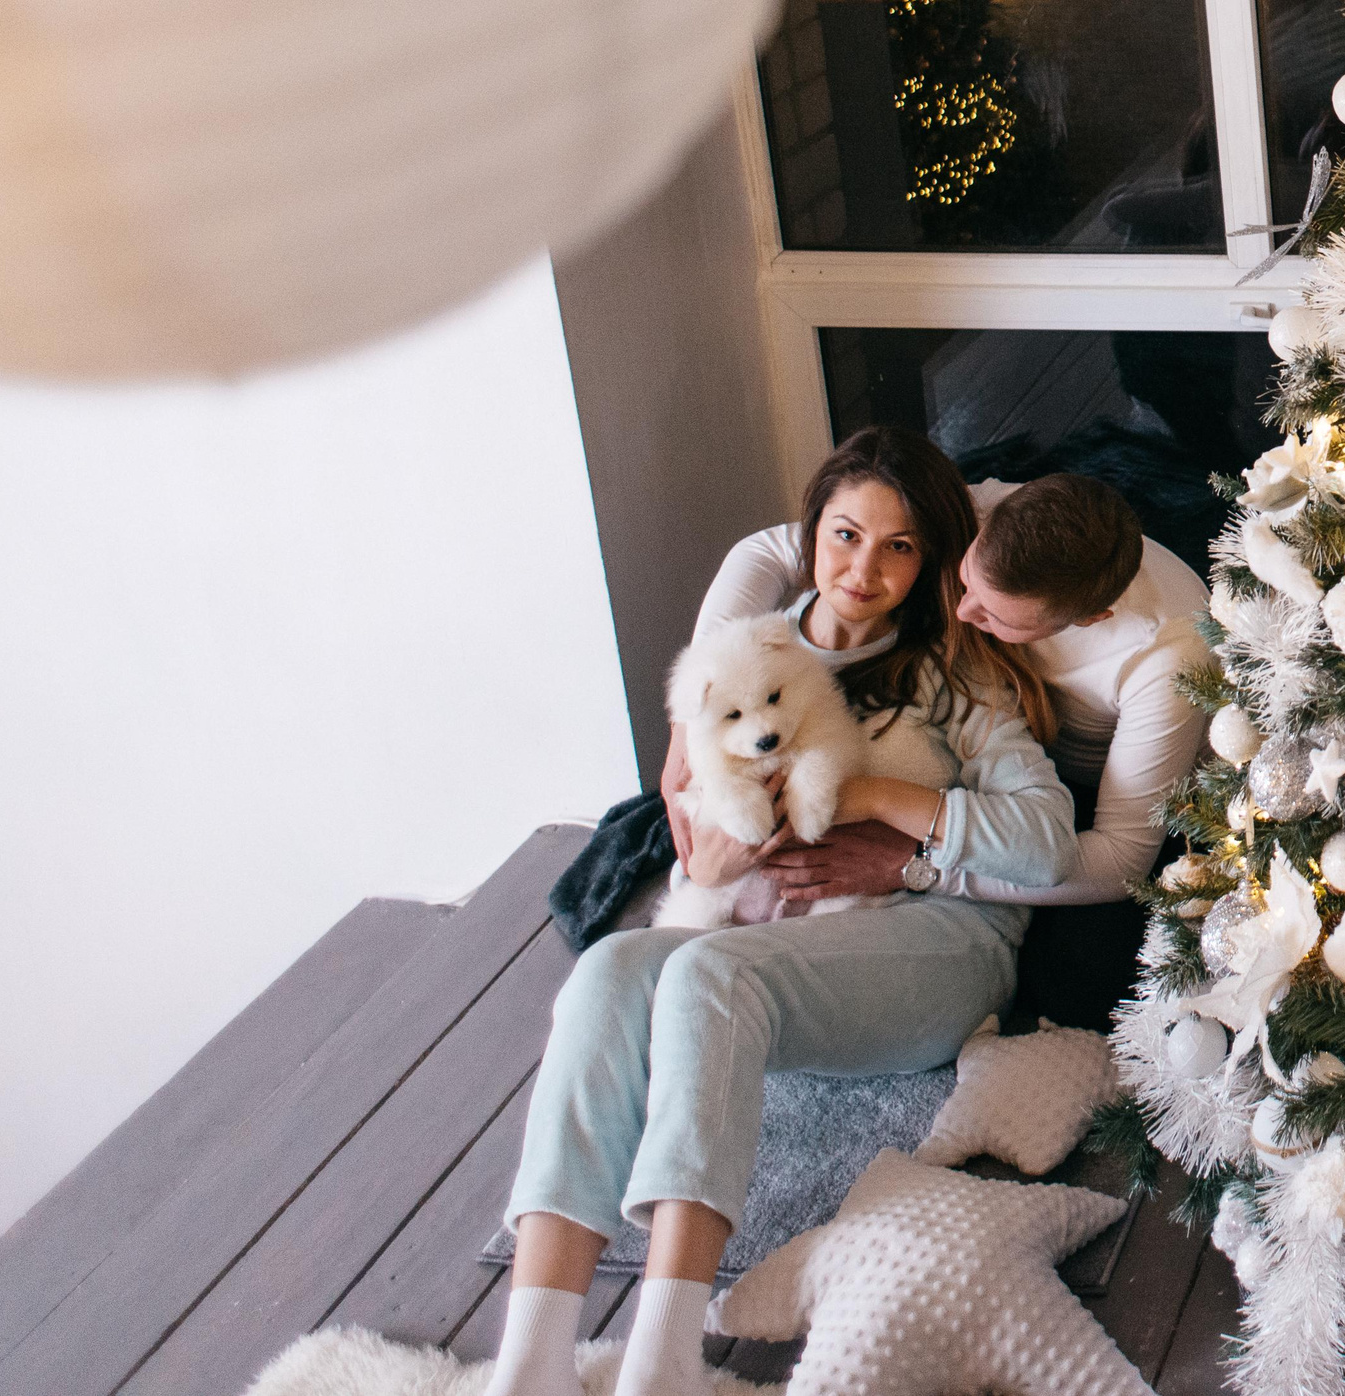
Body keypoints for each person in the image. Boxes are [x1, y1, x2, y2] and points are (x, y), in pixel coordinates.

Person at [489, 428, 1075, 1396]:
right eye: (845, 534)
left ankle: (664, 1357)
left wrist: (885, 807)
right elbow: (701, 842)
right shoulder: (738, 659)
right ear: (809, 535)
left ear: (930, 557)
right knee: (610, 968)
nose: (863, 568)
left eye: (899, 546)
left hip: (932, 946)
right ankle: (530, 1360)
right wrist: (722, 832)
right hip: (778, 949)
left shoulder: (952, 675)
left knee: (711, 974)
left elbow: (1046, 842)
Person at [667, 468, 1211, 1025]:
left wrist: (915, 863)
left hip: (1122, 797)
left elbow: (1119, 858)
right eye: (968, 578)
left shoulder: (1168, 660)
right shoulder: (984, 510)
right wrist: (685, 733)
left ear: (1090, 619)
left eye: (994, 615)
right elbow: (767, 552)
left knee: (1086, 992)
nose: (961, 613)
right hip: (999, 740)